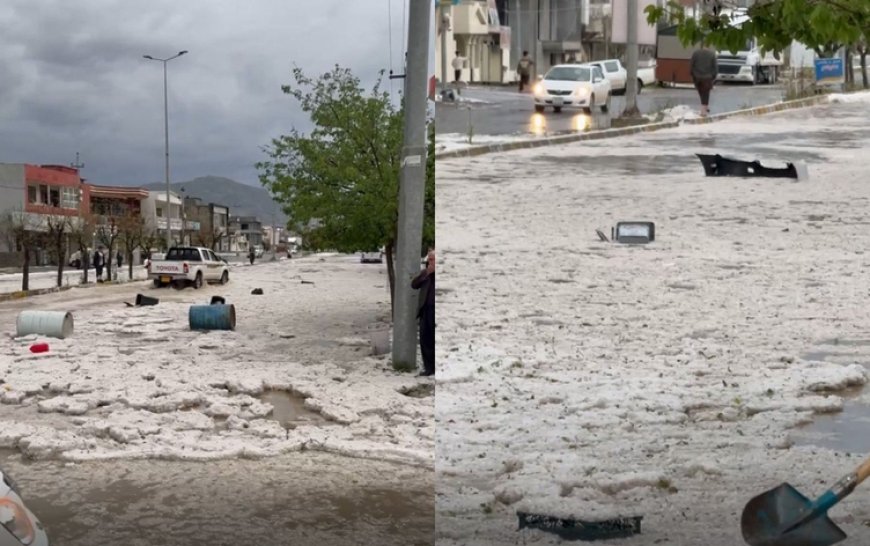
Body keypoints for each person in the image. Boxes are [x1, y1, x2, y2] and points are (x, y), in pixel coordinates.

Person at [411, 249, 435, 377]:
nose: (430, 262)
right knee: (426, 340)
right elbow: (414, 284)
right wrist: (426, 273)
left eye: (433, 260)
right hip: (426, 310)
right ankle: (429, 367)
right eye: (429, 260)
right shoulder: (425, 273)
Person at [690, 43, 718, 116]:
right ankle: (703, 111)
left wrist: (693, 75)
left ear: (701, 46)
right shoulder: (712, 54)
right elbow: (715, 67)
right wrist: (713, 77)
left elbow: (691, 65)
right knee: (706, 93)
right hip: (707, 77)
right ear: (708, 46)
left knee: (701, 92)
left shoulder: (695, 53)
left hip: (697, 77)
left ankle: (705, 107)